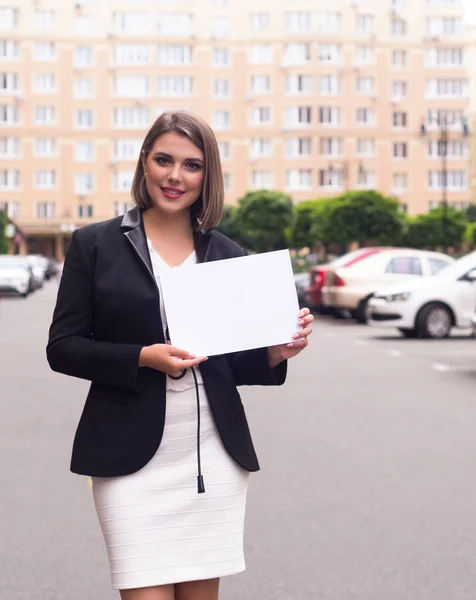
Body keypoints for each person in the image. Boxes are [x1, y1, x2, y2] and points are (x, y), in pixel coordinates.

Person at [46, 110, 314, 600]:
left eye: (192, 165)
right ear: (144, 162)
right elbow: (63, 348)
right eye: (164, 159)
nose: (175, 176)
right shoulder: (95, 245)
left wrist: (276, 352)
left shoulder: (228, 255)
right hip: (129, 460)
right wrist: (141, 357)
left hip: (211, 457)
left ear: (207, 175)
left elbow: (233, 363)